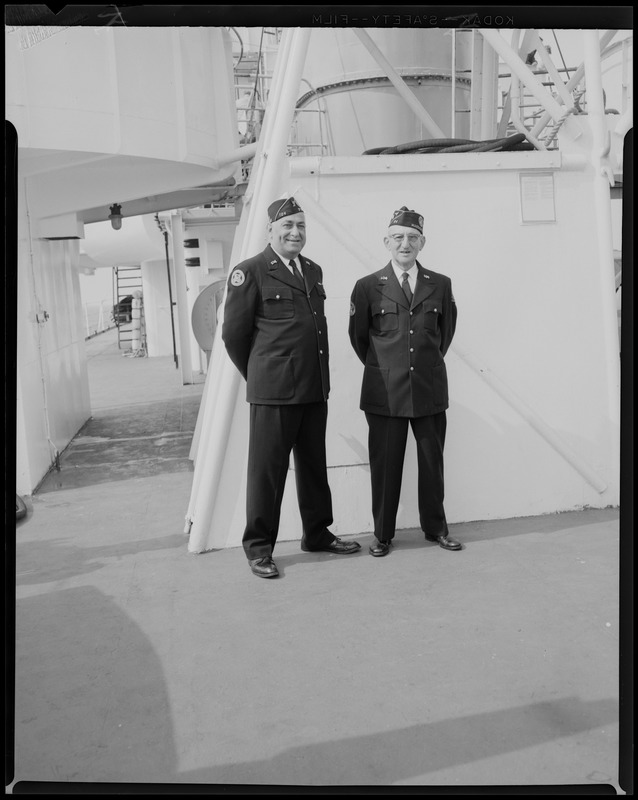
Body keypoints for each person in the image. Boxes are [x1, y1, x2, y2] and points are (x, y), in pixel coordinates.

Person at [222, 196, 361, 578]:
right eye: (287, 226)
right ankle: (259, 548)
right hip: (274, 392)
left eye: (300, 226)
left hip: (314, 387)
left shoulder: (312, 271)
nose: (295, 233)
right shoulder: (250, 272)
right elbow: (234, 336)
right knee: (267, 471)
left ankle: (317, 533)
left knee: (314, 467)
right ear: (271, 231)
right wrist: (263, 374)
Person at [348, 206, 461, 557]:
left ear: (422, 242)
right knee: (385, 468)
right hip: (385, 392)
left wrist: (420, 365)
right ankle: (382, 535)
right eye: (398, 237)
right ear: (387, 241)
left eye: (412, 237)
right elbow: (359, 339)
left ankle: (436, 528)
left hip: (427, 389)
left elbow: (445, 335)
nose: (405, 243)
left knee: (432, 465)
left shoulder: (440, 284)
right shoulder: (367, 287)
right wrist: (389, 367)